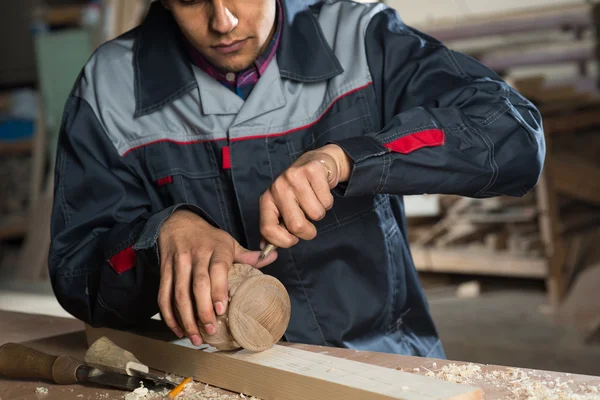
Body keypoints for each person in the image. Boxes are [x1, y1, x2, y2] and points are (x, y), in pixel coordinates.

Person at [48, 0, 545, 359]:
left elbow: (513, 135)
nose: (223, 21)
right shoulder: (108, 85)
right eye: (191, 0)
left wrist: (346, 161)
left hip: (386, 362)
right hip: (215, 378)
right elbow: (76, 272)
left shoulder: (361, 37)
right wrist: (163, 237)